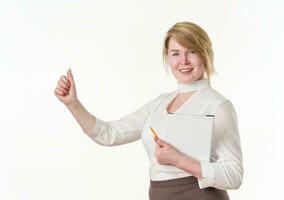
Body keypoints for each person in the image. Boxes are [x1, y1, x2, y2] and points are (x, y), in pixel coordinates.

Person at [54, 22, 243, 200]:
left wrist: (179, 160)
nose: (183, 61)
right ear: (167, 58)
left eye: (192, 51)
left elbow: (234, 175)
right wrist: (73, 104)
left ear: (205, 54)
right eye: (175, 53)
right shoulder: (160, 103)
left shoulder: (218, 106)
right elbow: (108, 134)